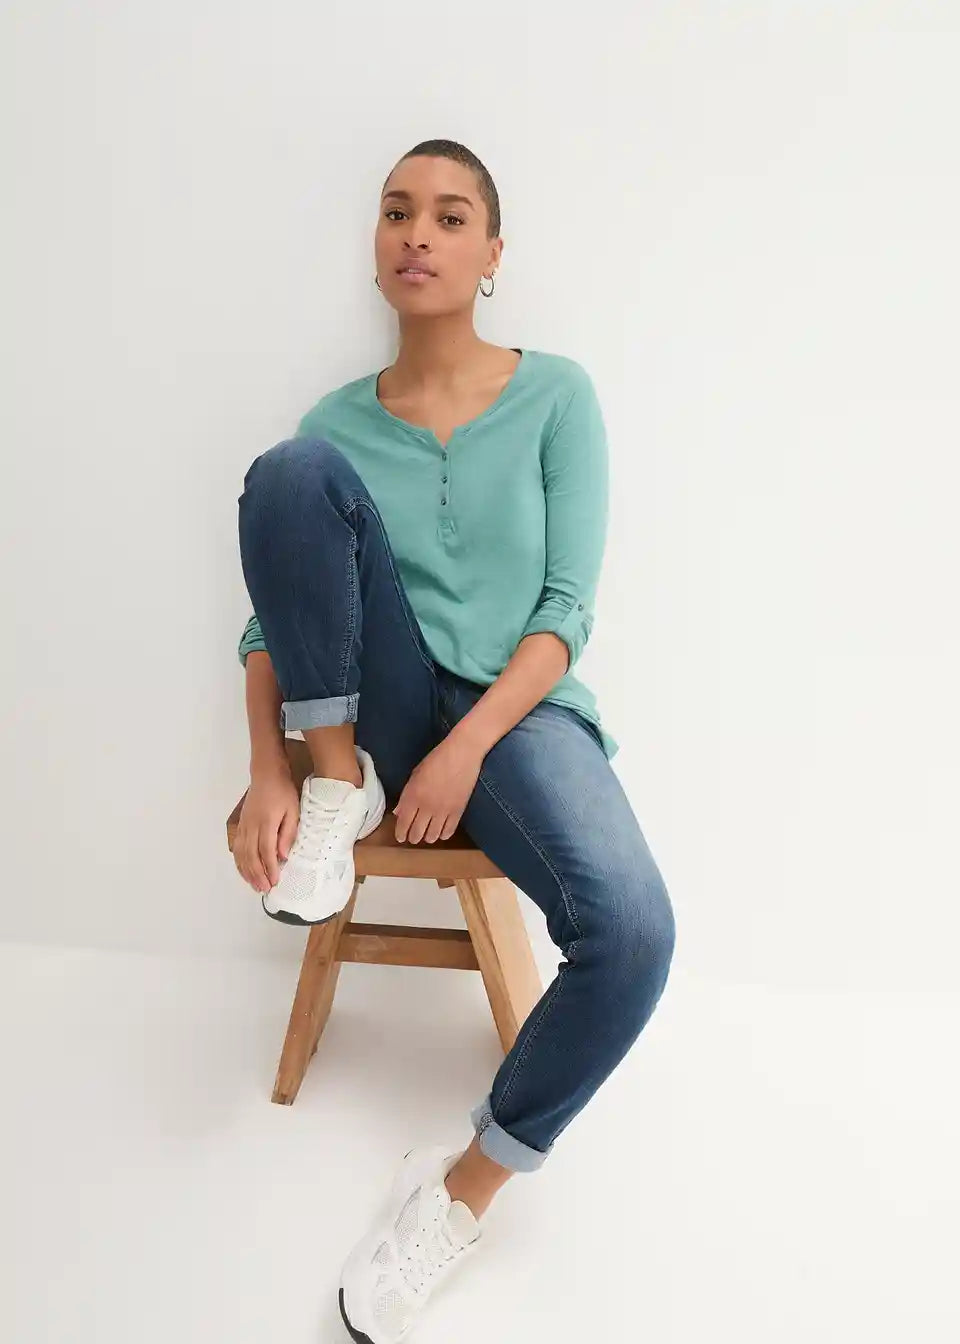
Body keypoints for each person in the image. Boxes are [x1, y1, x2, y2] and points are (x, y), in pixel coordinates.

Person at [234, 139, 676, 1344]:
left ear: (491, 254)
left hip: (518, 717)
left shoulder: (558, 397)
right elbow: (271, 626)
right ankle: (341, 794)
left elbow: (565, 612)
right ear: (376, 245)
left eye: (448, 216)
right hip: (371, 720)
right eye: (396, 213)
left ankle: (461, 1192)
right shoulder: (335, 426)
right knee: (289, 474)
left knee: (634, 933)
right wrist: (274, 769)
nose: (417, 235)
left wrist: (467, 749)